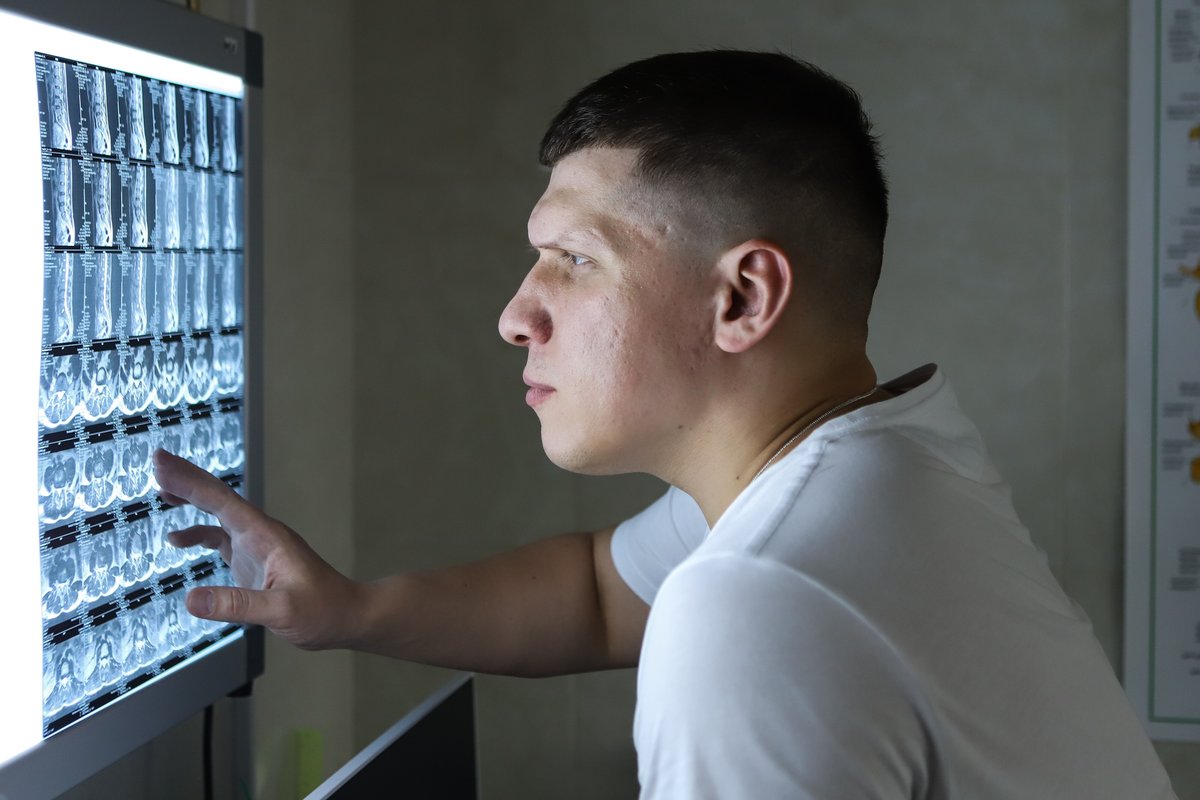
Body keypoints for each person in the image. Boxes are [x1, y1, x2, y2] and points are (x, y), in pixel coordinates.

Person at [153, 51, 1177, 798]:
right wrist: (350, 610)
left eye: (575, 260)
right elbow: (601, 595)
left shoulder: (758, 597)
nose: (515, 315)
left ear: (742, 298)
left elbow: (709, 596)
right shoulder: (888, 453)